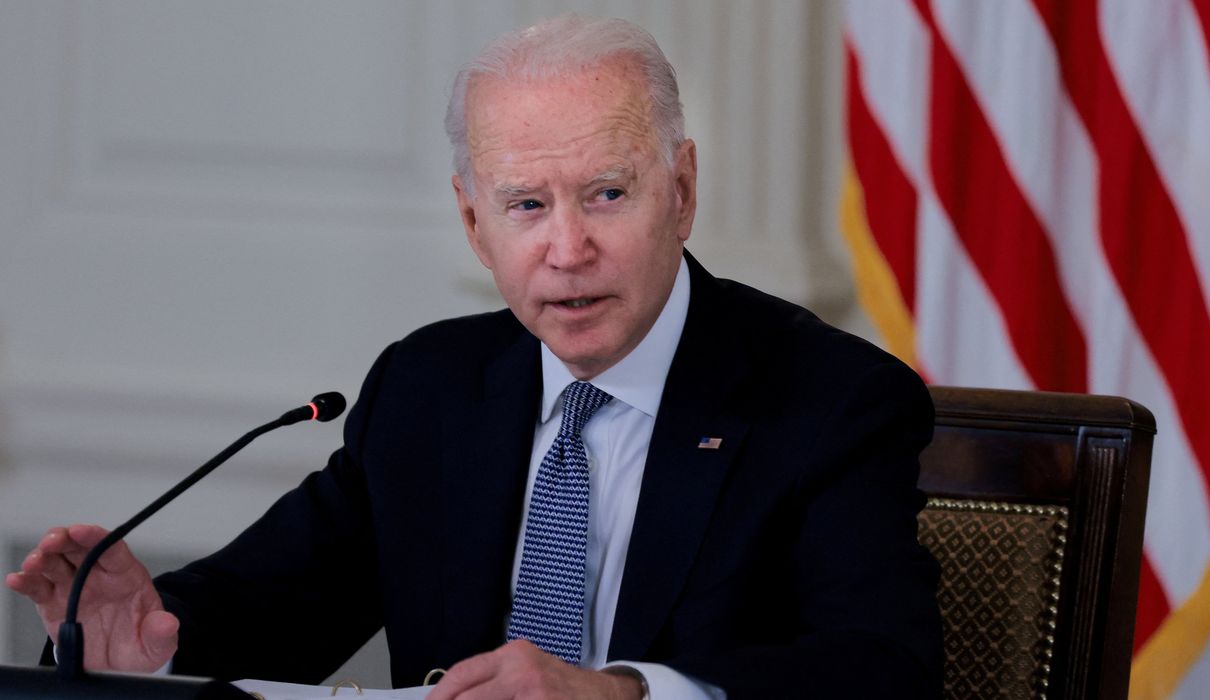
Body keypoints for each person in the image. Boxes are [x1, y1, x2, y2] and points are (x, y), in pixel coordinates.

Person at [5, 15, 942, 699]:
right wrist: (149, 647)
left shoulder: (830, 401)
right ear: (473, 224)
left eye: (607, 194)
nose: (566, 249)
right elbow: (275, 608)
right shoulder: (432, 388)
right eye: (526, 205)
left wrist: (619, 694)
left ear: (683, 191)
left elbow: (879, 671)